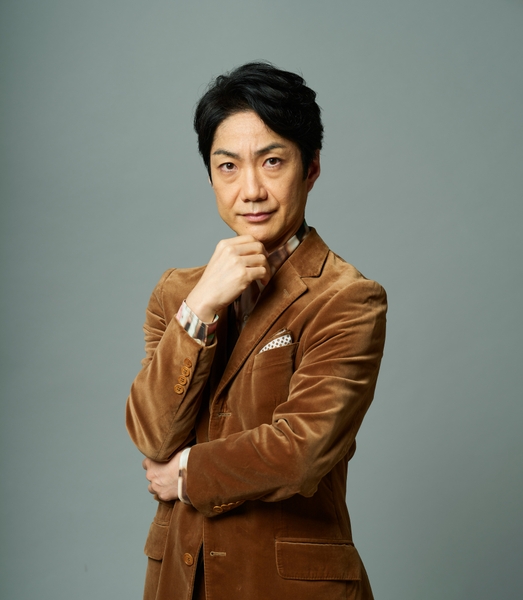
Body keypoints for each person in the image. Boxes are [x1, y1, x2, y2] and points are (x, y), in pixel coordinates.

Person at [126, 61, 387, 600]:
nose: (251, 190)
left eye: (272, 162)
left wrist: (186, 472)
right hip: (180, 581)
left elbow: (302, 451)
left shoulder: (347, 298)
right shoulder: (177, 295)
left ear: (311, 167)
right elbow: (152, 434)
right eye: (228, 166)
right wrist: (202, 306)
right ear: (210, 176)